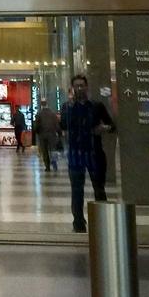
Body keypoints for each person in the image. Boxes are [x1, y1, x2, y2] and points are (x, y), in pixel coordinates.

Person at [60, 74, 116, 233]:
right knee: (77, 190)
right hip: (75, 154)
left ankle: (102, 221)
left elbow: (112, 125)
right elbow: (63, 125)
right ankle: (78, 223)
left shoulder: (96, 106)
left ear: (87, 87)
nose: (79, 89)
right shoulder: (67, 107)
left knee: (99, 189)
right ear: (72, 88)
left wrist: (104, 128)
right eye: (76, 86)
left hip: (94, 152)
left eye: (82, 85)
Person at [32, 99, 61, 173]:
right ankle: (54, 164)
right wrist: (59, 133)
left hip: (42, 135)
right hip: (52, 135)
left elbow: (36, 126)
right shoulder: (52, 114)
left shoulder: (39, 114)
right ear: (47, 104)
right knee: (53, 150)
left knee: (45, 151)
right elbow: (57, 125)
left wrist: (37, 132)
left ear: (41, 105)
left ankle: (47, 167)